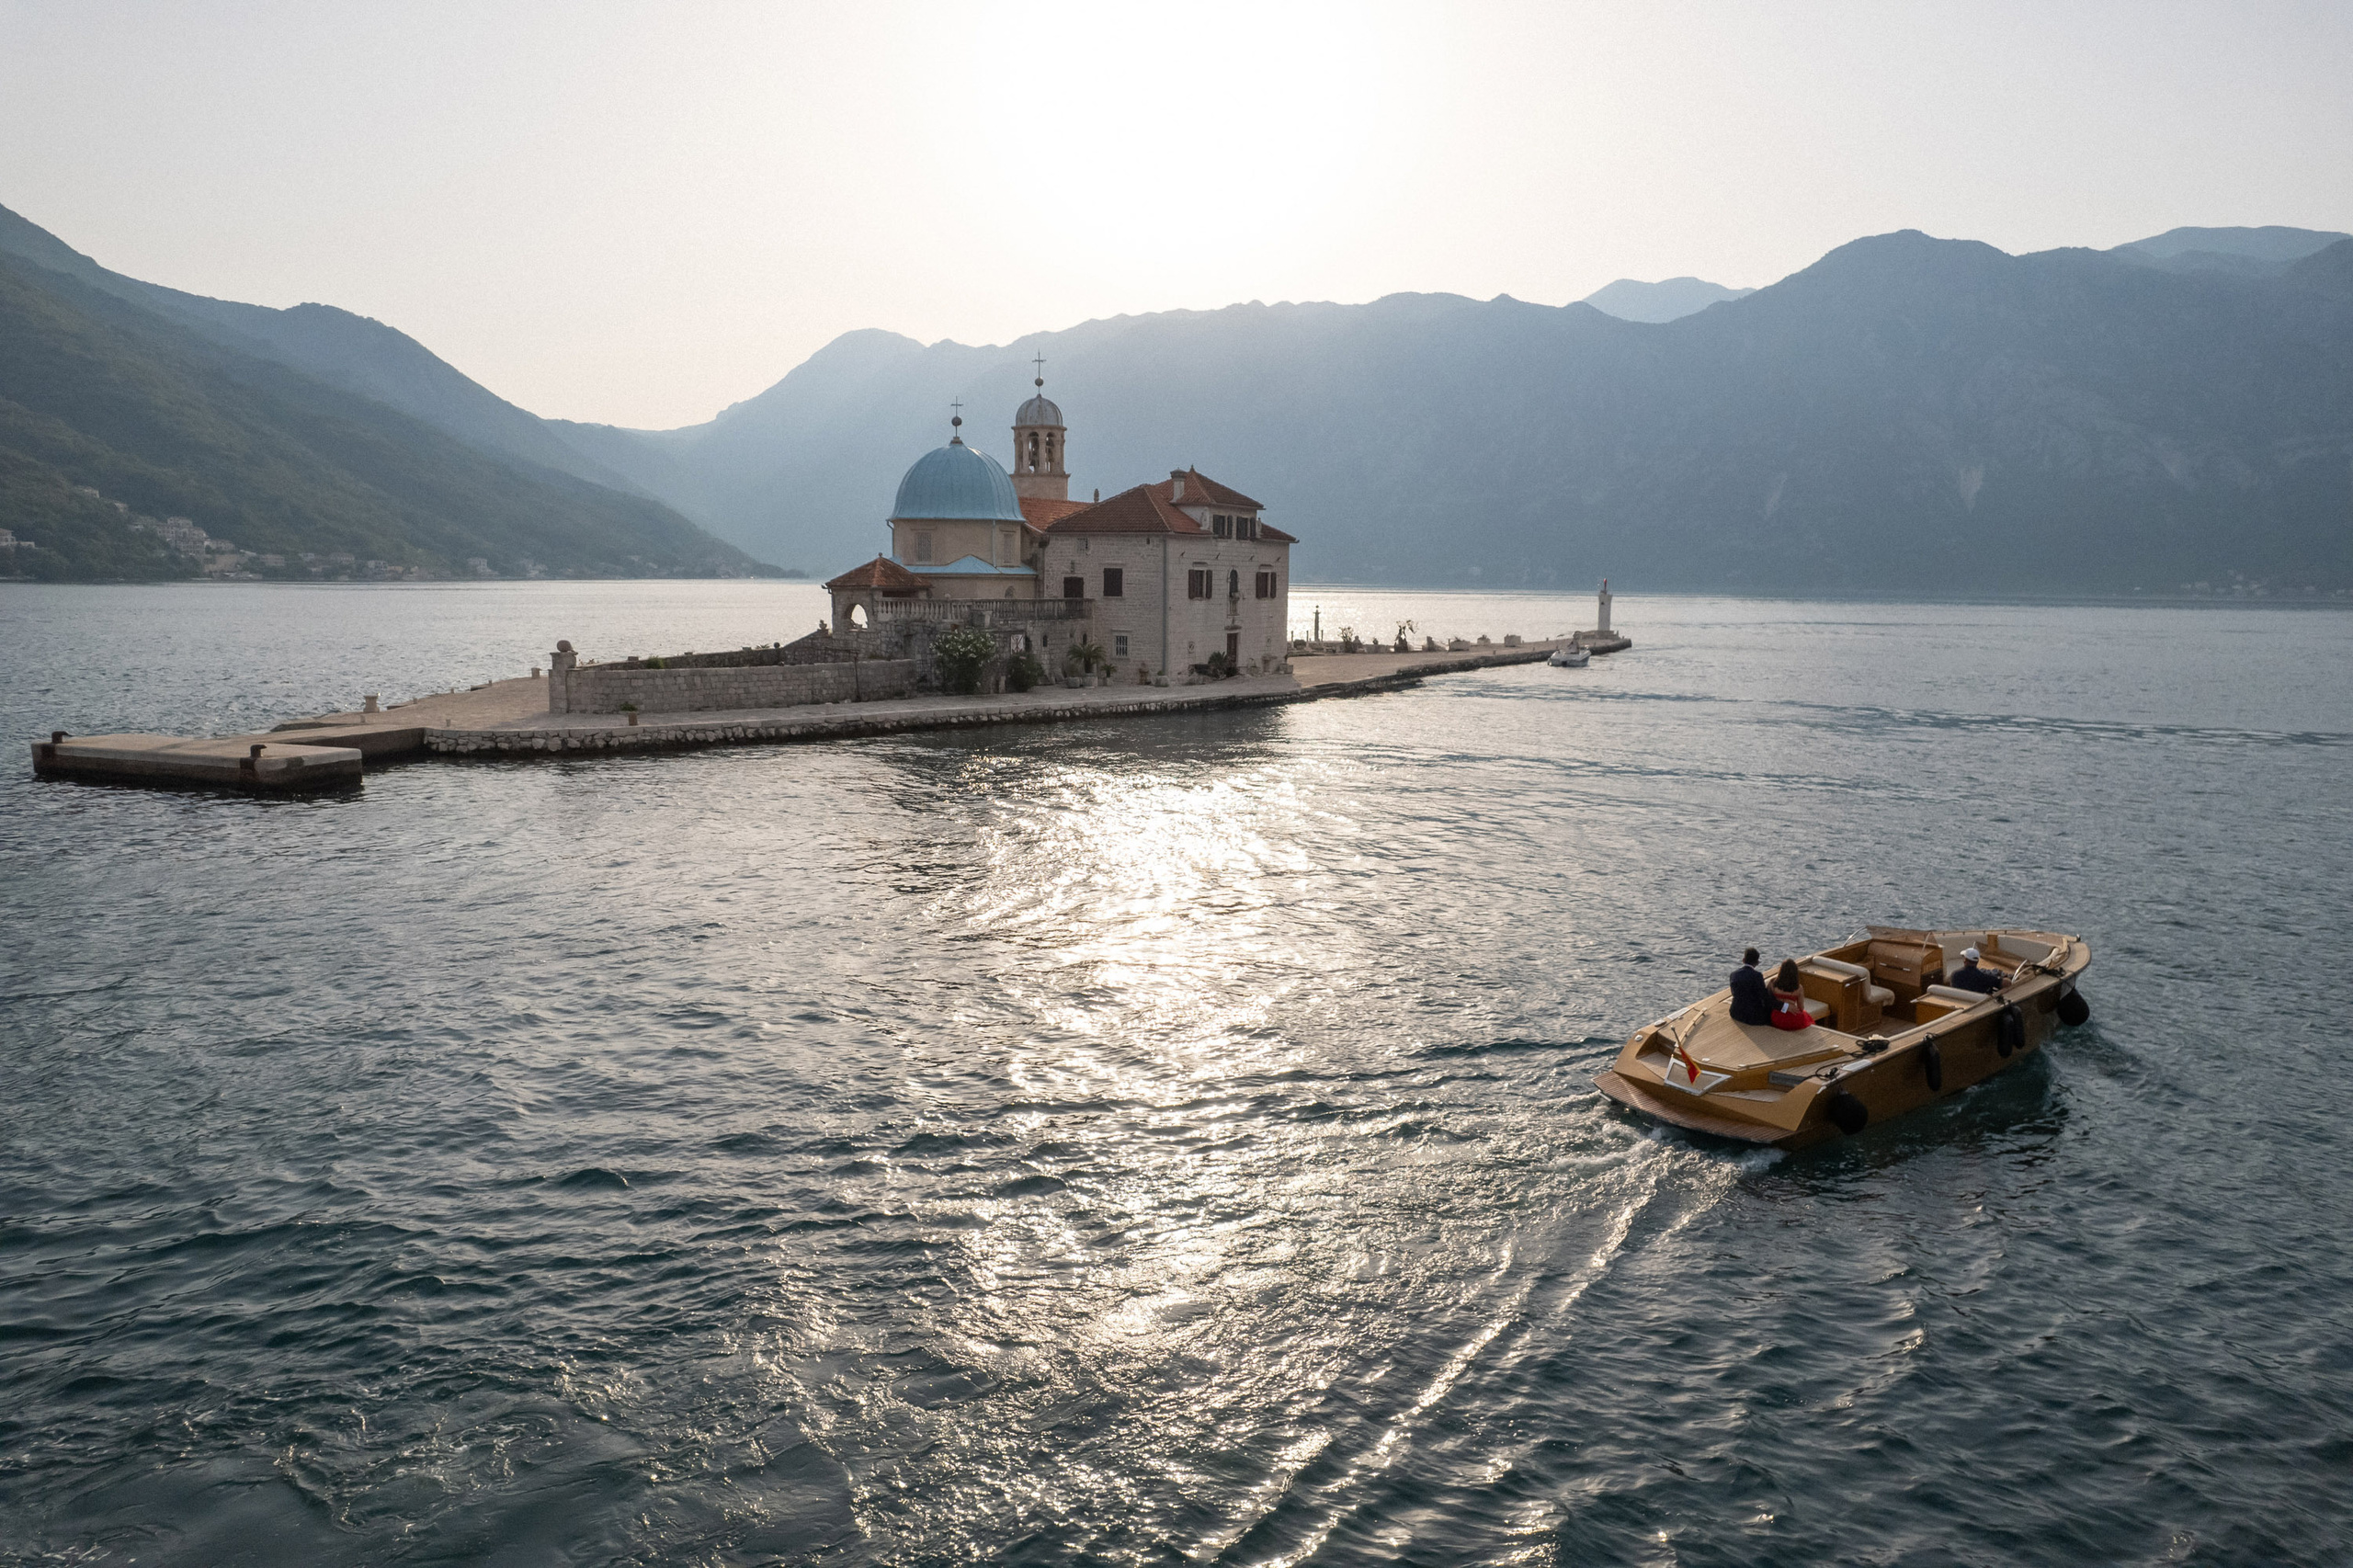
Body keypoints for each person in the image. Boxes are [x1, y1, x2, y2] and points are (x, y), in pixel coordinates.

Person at [1729, 948, 1774, 1026]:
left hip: (1735, 1012)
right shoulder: (1757, 976)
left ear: (1743, 960)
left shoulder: (1733, 974)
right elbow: (1763, 996)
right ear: (1757, 963)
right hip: (1752, 1016)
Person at [1768, 958, 1814, 1030]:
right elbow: (1801, 1008)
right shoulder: (1799, 988)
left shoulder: (1772, 983)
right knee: (1807, 1017)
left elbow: (1768, 1000)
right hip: (1793, 1018)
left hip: (1777, 1017)